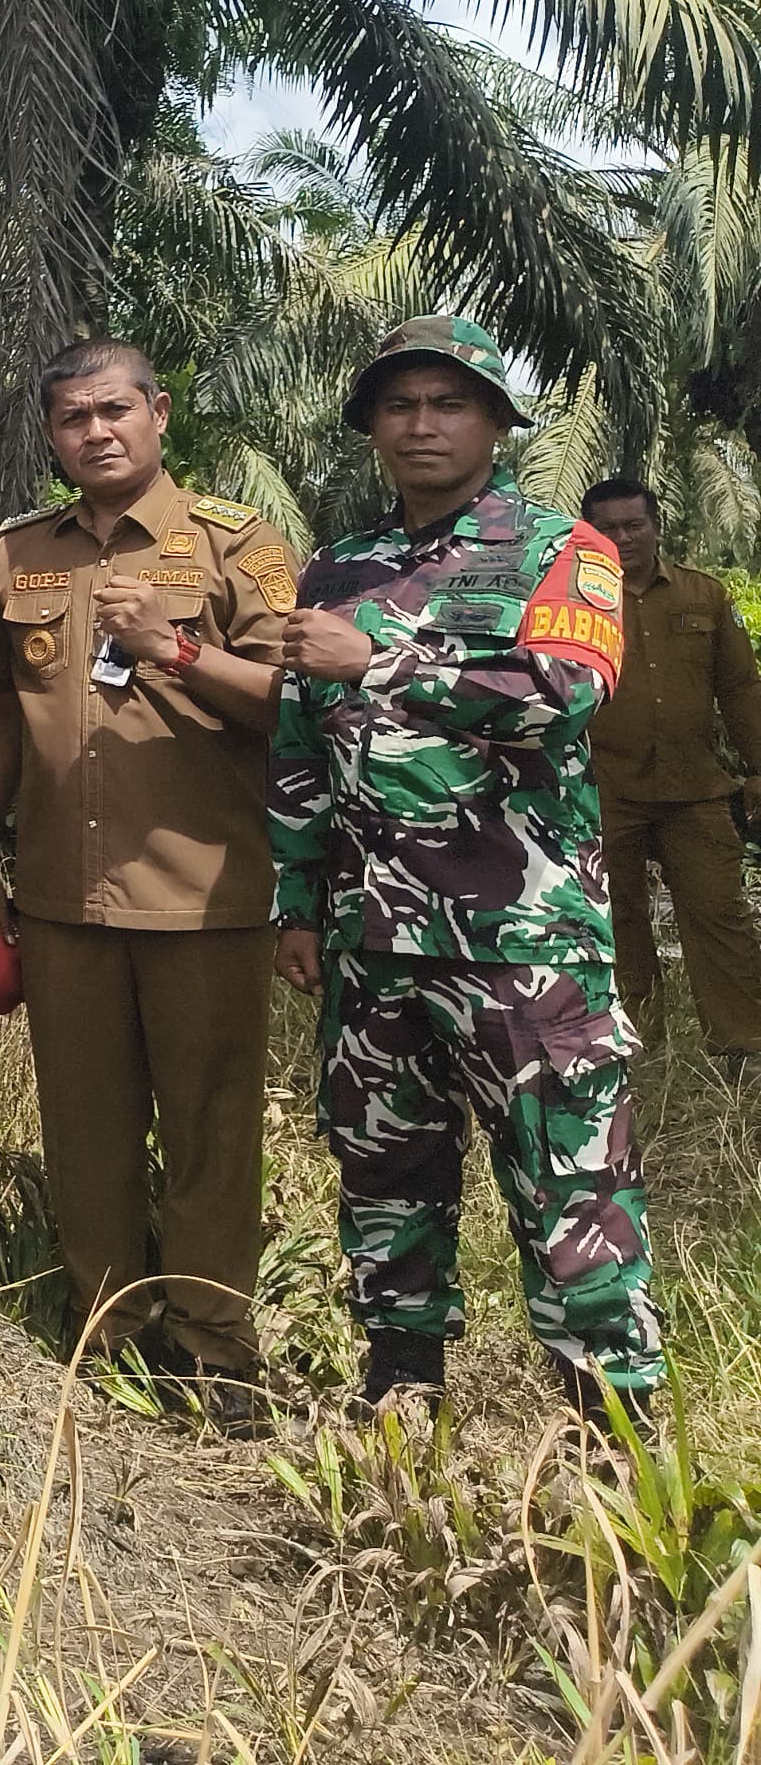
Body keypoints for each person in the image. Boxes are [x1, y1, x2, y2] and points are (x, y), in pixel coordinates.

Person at [268, 315, 660, 1427]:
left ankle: (613, 1436)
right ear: (373, 428)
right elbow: (302, 743)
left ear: (494, 420)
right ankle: (400, 1399)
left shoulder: (558, 550)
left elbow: (564, 692)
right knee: (386, 1178)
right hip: (371, 940)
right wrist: (299, 902)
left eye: (448, 403)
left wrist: (384, 655)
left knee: (570, 1187)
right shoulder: (337, 566)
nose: (423, 425)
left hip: (523, 947)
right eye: (401, 406)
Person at [0, 340, 294, 1429]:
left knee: (209, 1126)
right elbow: (3, 712)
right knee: (87, 1129)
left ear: (157, 414)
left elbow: (292, 709)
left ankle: (214, 1353)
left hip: (203, 892)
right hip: (64, 894)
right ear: (53, 434)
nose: (96, 432)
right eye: (72, 418)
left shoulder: (235, 542)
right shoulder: (21, 552)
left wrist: (178, 649)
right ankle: (108, 1340)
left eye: (115, 411)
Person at [576, 476, 761, 1067]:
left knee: (720, 915)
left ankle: (739, 1045)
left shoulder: (705, 597)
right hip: (605, 789)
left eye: (634, 524)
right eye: (608, 527)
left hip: (695, 788)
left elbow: (739, 689)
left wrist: (758, 768)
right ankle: (638, 1044)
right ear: (588, 533)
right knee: (616, 919)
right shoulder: (571, 600)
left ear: (657, 526)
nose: (623, 537)